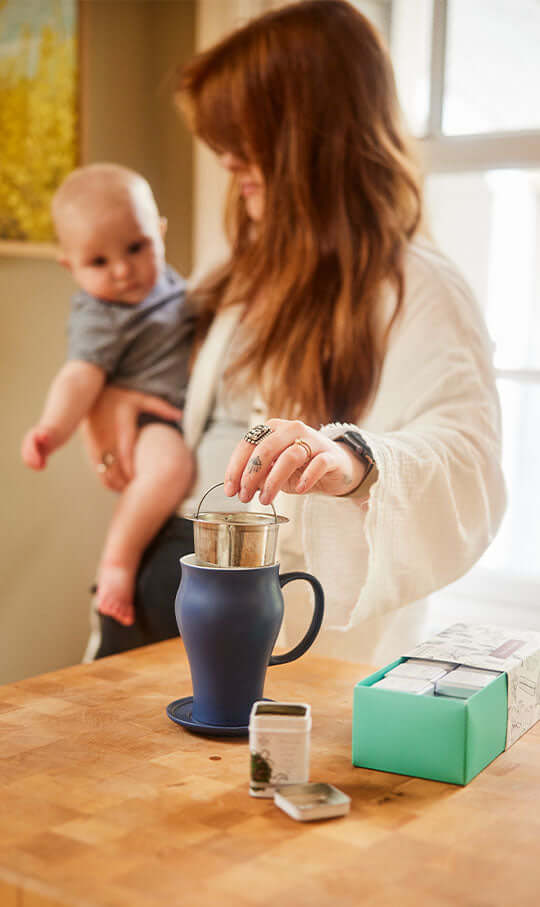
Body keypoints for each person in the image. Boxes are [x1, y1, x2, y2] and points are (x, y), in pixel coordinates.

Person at [82, 0, 506, 663]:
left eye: (245, 136)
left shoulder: (420, 290)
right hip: (165, 578)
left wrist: (351, 462)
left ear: (313, 137)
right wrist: (116, 396)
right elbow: (143, 349)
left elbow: (468, 460)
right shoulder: (240, 277)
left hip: (275, 615)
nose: (225, 160)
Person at [21, 163, 195, 631]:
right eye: (98, 262)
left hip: (174, 410)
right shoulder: (101, 314)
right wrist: (52, 430)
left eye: (137, 248)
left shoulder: (169, 283)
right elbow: (78, 377)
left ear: (160, 232)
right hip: (148, 419)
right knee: (169, 468)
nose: (122, 271)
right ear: (70, 267)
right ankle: (117, 563)